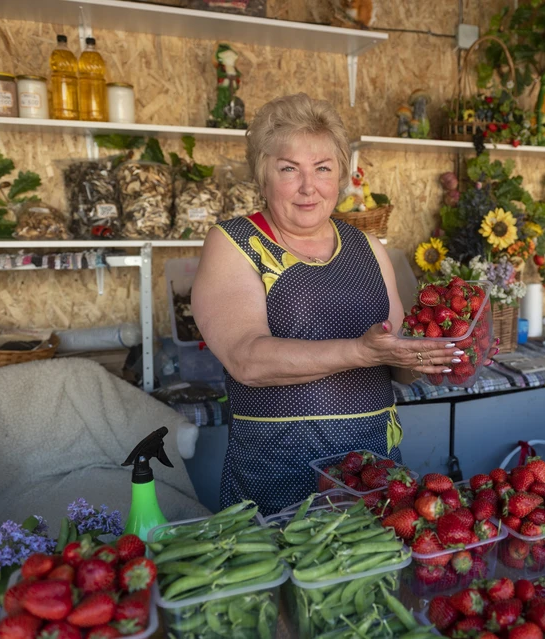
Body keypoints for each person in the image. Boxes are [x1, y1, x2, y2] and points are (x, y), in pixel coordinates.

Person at [192, 93, 463, 515]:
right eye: (288, 169)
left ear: (341, 176)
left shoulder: (369, 248)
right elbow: (246, 359)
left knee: (375, 578)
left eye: (322, 168)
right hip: (277, 471)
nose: (308, 187)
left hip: (372, 472)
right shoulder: (234, 243)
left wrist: (442, 355)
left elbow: (398, 364)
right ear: (263, 176)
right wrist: (359, 351)